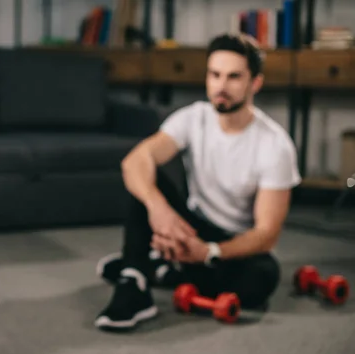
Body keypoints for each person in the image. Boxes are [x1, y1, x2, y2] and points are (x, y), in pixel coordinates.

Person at [94, 33, 302, 331]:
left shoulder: (275, 145)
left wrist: (209, 252)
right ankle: (134, 283)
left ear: (254, 83)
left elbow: (266, 234)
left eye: (233, 77)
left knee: (262, 279)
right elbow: (134, 161)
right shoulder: (193, 118)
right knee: (147, 179)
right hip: (190, 224)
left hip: (230, 244)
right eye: (214, 75)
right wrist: (159, 210)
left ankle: (155, 265)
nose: (221, 86)